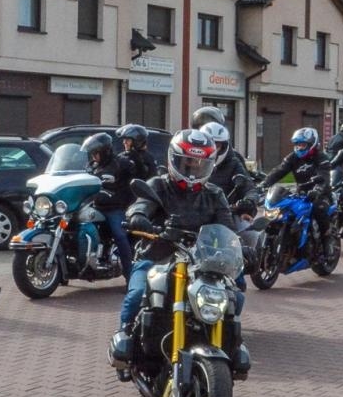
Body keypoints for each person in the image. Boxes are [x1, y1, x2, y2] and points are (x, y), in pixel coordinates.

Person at [111, 130, 237, 350]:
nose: (193, 169)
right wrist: (138, 217)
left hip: (199, 263)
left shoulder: (214, 194)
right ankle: (125, 335)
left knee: (233, 298)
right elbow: (141, 204)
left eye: (199, 164)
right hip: (156, 256)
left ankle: (229, 345)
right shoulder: (159, 185)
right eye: (187, 162)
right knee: (138, 293)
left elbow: (227, 228)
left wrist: (240, 246)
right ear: (173, 159)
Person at [262, 127, 334, 242]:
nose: (299, 148)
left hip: (321, 194)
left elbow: (324, 175)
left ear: (312, 144)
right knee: (284, 211)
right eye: (297, 145)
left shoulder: (321, 158)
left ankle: (327, 241)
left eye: (302, 145)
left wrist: (318, 189)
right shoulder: (293, 157)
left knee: (318, 209)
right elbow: (279, 171)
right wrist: (264, 184)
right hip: (301, 194)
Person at [83, 132, 137, 278]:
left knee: (120, 235)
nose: (93, 157)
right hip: (94, 206)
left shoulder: (120, 164)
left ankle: (129, 275)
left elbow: (134, 178)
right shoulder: (92, 166)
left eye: (96, 153)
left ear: (105, 151)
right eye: (92, 154)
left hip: (114, 208)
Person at [198, 121, 256, 206]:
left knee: (243, 219)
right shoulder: (191, 162)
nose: (212, 148)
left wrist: (249, 201)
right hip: (192, 211)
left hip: (223, 210)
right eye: (209, 144)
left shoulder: (233, 163)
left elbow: (248, 188)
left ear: (223, 146)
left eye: (216, 144)